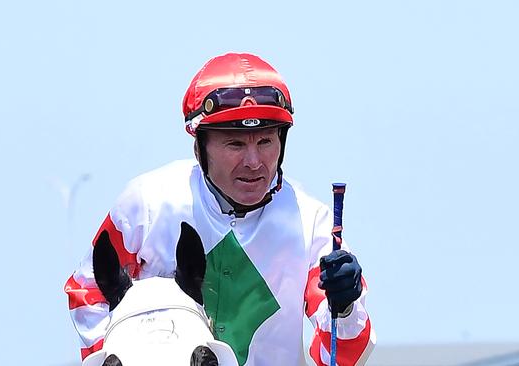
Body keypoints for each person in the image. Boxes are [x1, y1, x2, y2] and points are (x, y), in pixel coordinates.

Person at [65, 53, 376, 366]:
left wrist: (345, 308)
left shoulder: (313, 225)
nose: (254, 162)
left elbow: (342, 357)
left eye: (266, 141)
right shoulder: (146, 204)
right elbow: (87, 289)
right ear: (200, 147)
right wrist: (113, 354)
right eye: (236, 145)